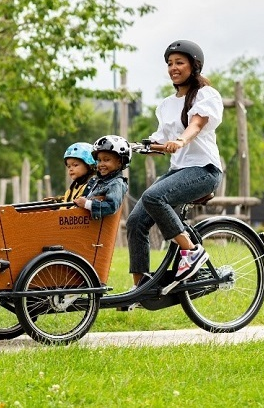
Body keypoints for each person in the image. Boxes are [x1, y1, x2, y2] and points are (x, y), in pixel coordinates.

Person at [127, 40, 223, 292]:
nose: (173, 68)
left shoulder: (205, 95)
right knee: (136, 220)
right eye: (170, 63)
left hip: (204, 170)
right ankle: (141, 289)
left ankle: (191, 252)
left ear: (194, 66)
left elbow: (196, 125)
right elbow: (160, 139)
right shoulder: (167, 104)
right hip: (178, 171)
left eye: (179, 62)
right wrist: (140, 146)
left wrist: (181, 140)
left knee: (154, 197)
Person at [74, 135, 131, 220]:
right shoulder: (96, 181)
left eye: (106, 160)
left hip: (97, 228)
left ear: (120, 162)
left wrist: (87, 204)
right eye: (99, 160)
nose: (101, 164)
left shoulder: (116, 183)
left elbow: (111, 206)